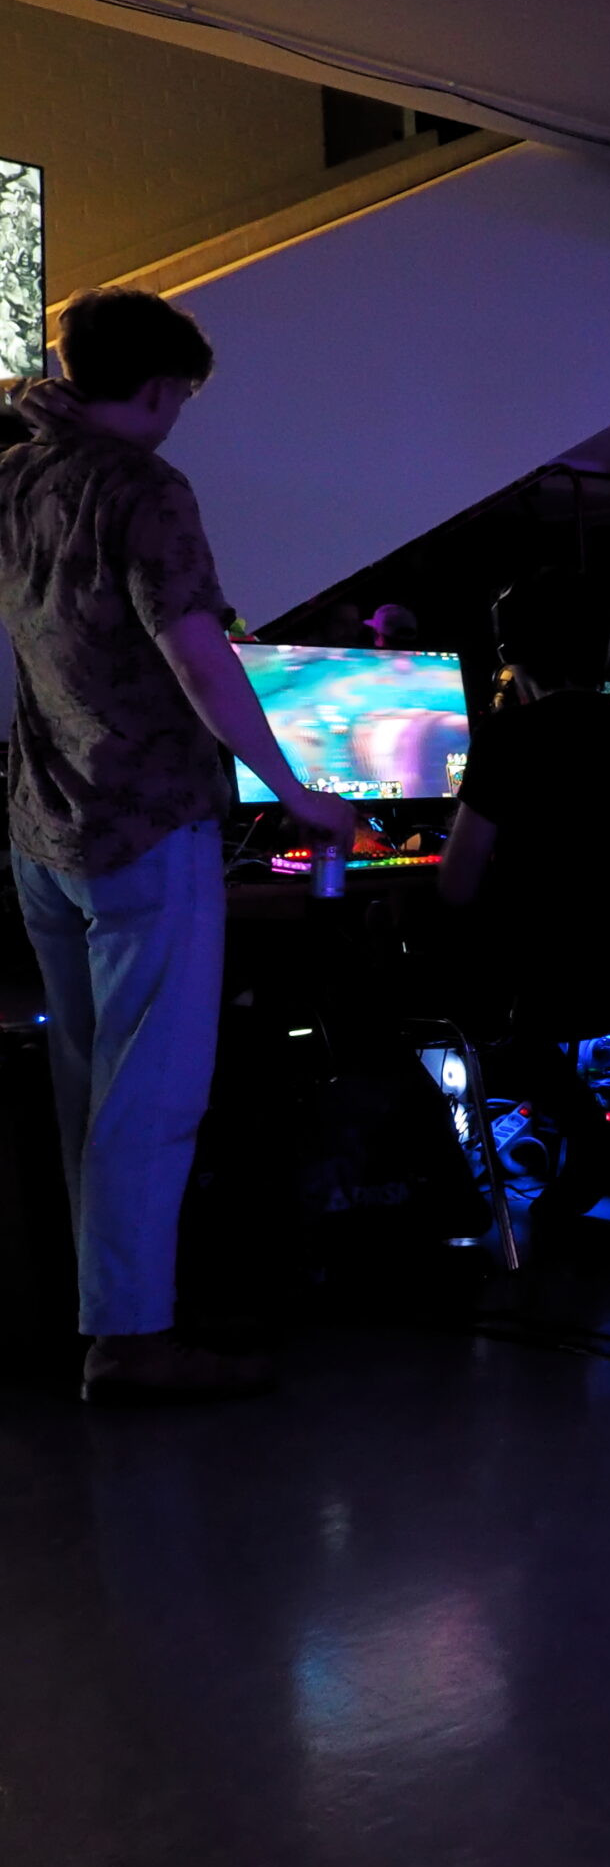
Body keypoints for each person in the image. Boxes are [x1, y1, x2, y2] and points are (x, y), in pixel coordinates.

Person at [0, 286, 354, 1401]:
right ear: (159, 389)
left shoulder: (16, 474)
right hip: (146, 821)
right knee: (150, 1096)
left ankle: (103, 1310)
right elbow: (198, 657)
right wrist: (296, 792)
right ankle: (132, 1341)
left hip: (42, 822)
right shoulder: (144, 486)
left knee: (86, 1088)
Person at [437, 571, 610, 1220]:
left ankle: (576, 1138)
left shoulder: (507, 738)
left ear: (509, 655)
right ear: (605, 649)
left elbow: (456, 885)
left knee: (441, 983)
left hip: (540, 973)